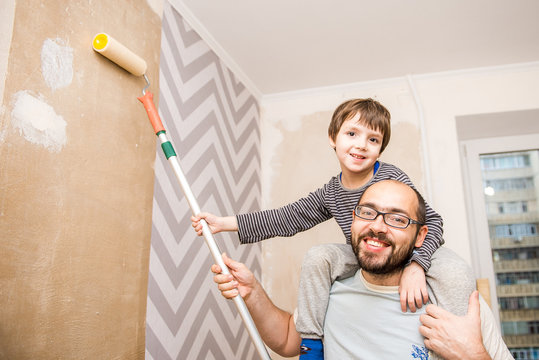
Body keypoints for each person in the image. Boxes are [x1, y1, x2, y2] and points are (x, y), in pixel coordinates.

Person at [192, 98, 475, 356]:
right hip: (364, 253)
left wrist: (417, 265)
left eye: (373, 139)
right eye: (352, 134)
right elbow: (286, 217)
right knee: (319, 257)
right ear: (333, 138)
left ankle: (454, 342)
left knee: (453, 270)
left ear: (380, 149)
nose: (362, 145)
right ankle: (312, 343)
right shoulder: (332, 192)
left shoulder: (391, 179)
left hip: (412, 251)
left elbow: (432, 222)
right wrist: (223, 224)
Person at [211, 180, 512, 359]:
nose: (377, 227)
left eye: (397, 219)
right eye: (367, 213)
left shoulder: (458, 307)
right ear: (351, 220)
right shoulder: (330, 290)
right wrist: (252, 294)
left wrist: (473, 356)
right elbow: (290, 339)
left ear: (422, 236)